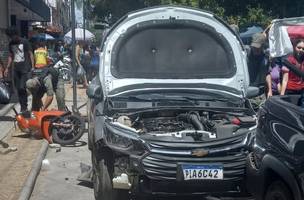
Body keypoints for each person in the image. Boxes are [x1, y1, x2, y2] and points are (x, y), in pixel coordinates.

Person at [4, 27, 34, 112]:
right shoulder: (11, 44)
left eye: (12, 36)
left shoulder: (24, 42)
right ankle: (23, 106)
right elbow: (10, 56)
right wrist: (7, 68)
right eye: (10, 37)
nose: (12, 38)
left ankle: (24, 107)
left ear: (16, 34)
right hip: (16, 69)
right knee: (18, 89)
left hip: (25, 69)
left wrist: (32, 67)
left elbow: (30, 54)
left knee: (21, 87)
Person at [26, 41, 54, 111]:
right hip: (44, 68)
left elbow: (35, 59)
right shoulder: (45, 51)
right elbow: (47, 60)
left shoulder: (35, 51)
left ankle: (37, 109)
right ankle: (40, 109)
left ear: (37, 45)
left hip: (37, 68)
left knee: (36, 95)